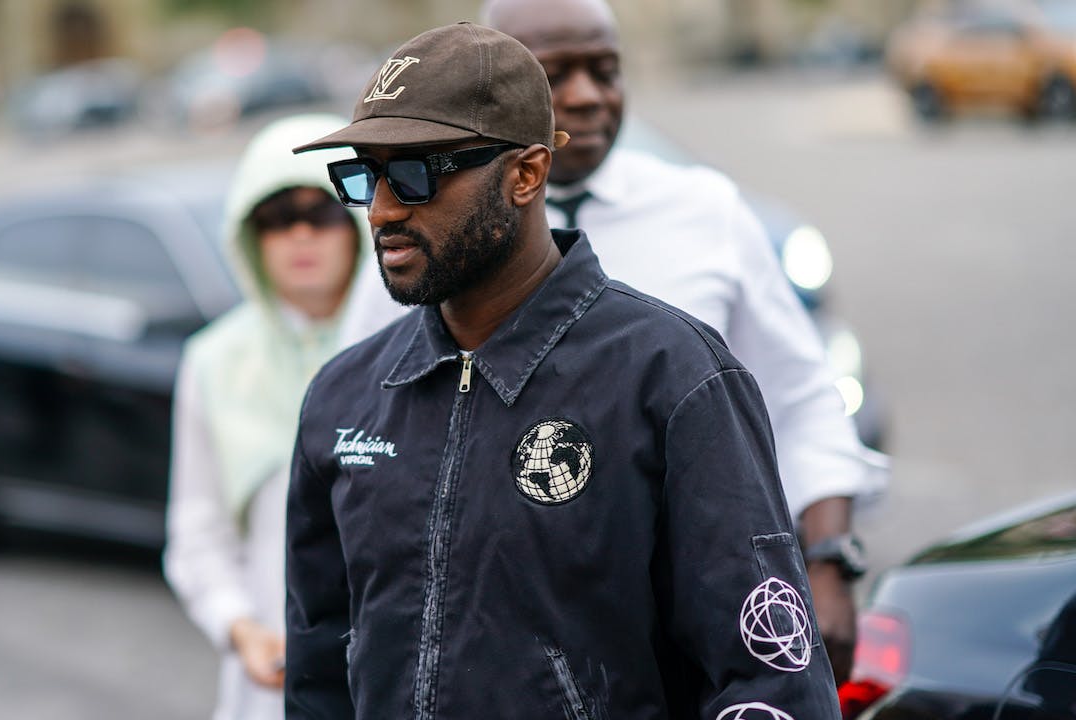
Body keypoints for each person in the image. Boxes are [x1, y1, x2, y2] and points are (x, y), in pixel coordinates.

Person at [286, 22, 841, 719]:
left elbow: (768, 678)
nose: (383, 211)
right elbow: (317, 668)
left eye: (415, 174)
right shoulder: (344, 397)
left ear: (525, 174)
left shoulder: (672, 376)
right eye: (364, 175)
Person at [163, 113, 368, 720]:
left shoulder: (418, 344)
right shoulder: (214, 360)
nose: (301, 235)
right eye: (277, 218)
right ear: (249, 236)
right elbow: (197, 532)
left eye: (323, 211)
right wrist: (239, 625)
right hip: (274, 677)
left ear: (359, 219)